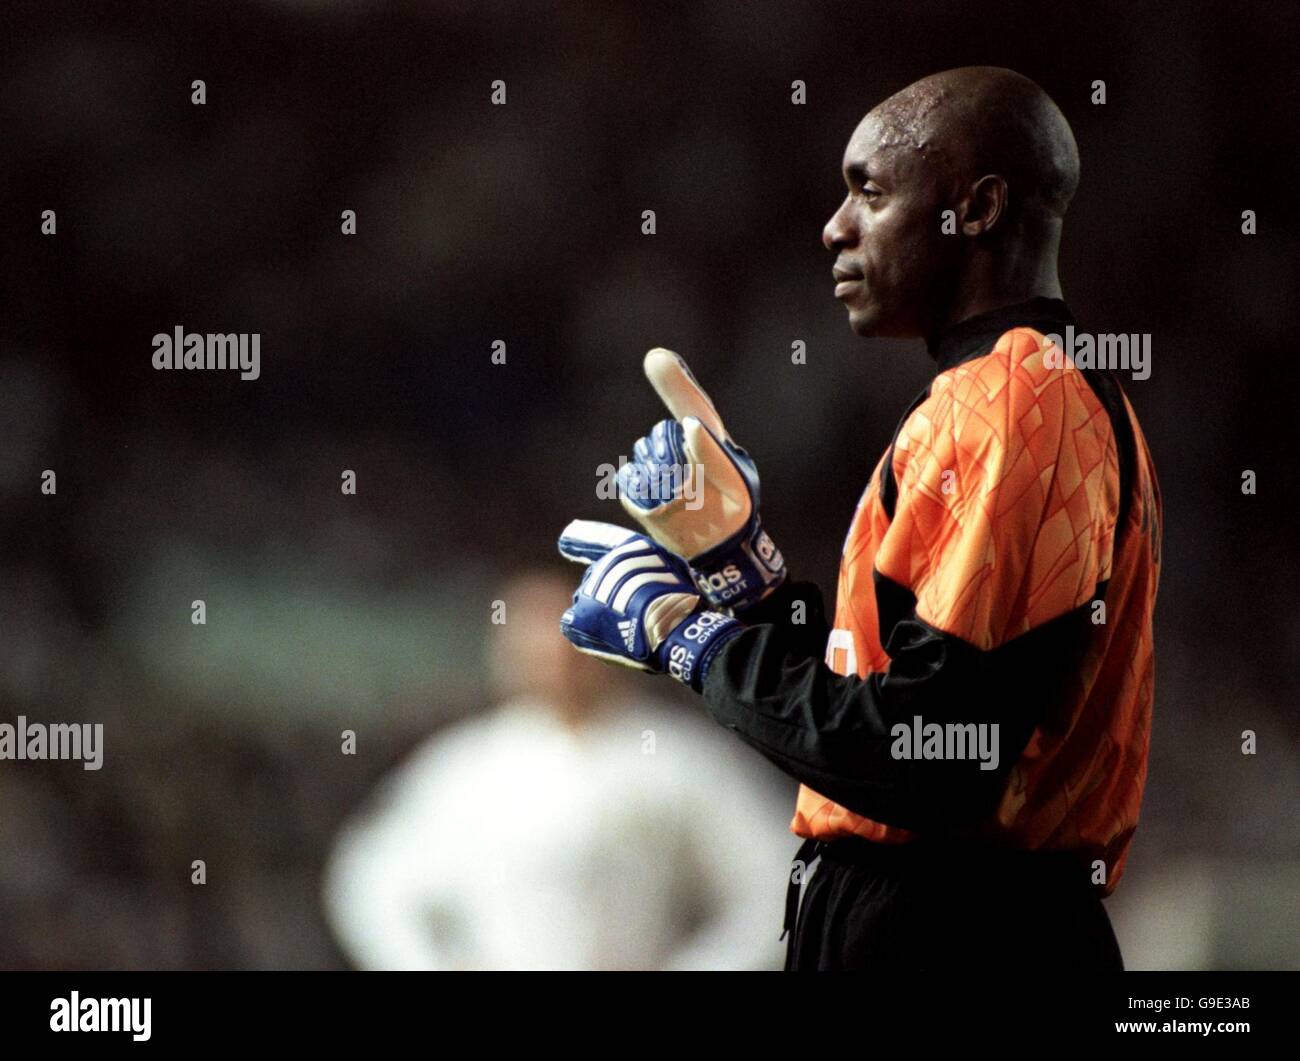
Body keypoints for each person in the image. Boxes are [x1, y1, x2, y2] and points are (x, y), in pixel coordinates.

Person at [557, 67, 1162, 972]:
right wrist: (740, 573)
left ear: (980, 206)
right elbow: (894, 695)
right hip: (967, 919)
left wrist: (690, 637)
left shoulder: (1014, 402)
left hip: (958, 933)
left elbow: (927, 756)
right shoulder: (1030, 390)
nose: (835, 227)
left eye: (869, 191)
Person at [323, 570, 794, 970]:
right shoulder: (464, 768)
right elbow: (373, 884)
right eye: (530, 644)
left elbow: (777, 887)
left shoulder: (678, 760)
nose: (551, 660)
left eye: (567, 641)